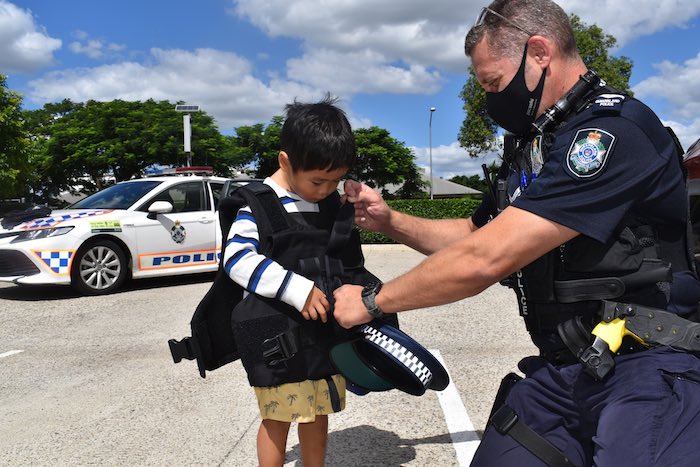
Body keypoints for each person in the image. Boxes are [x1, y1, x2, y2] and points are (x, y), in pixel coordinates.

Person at [332, 1, 700, 465]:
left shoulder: (608, 136)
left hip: (645, 363)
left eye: (494, 83)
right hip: (568, 365)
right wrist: (391, 221)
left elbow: (488, 258)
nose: (490, 100)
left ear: (539, 52)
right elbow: (475, 234)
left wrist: (371, 302)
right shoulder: (535, 149)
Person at [222, 95, 357, 467]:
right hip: (279, 342)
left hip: (322, 338)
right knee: (278, 418)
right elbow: (236, 260)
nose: (326, 190)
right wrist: (296, 288)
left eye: (335, 180)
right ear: (286, 161)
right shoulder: (260, 205)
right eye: (318, 180)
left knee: (318, 412)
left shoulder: (327, 203)